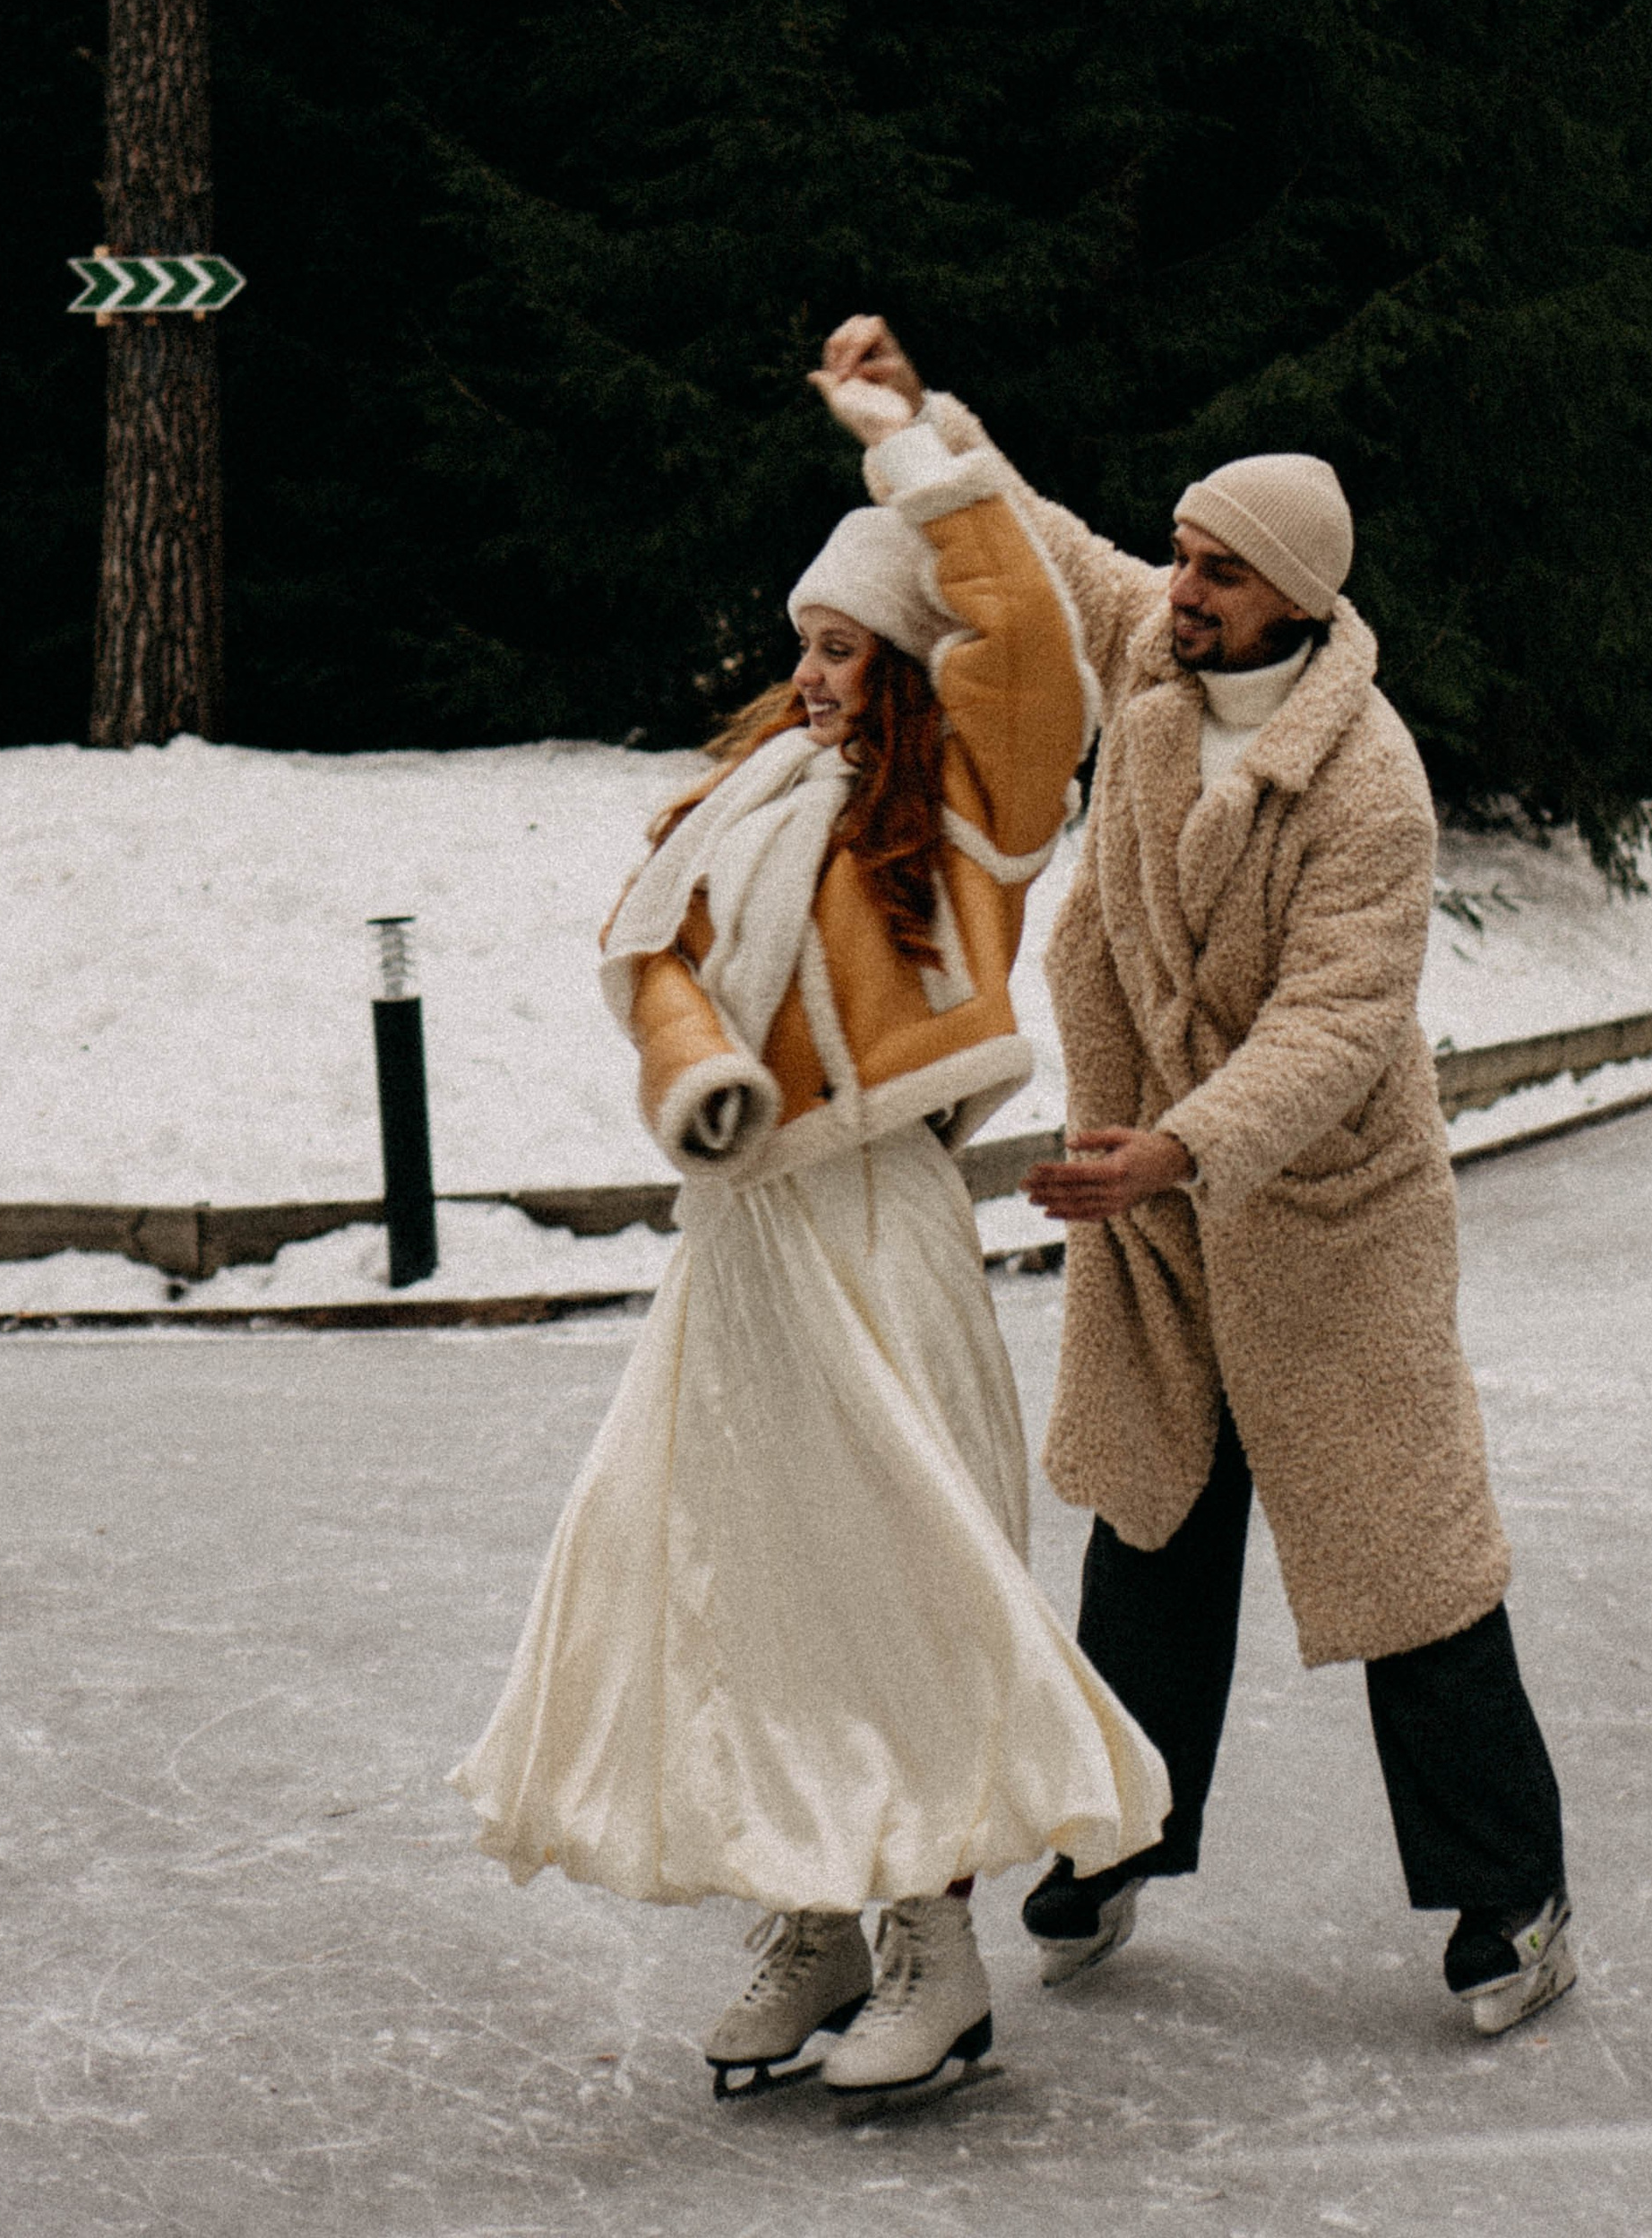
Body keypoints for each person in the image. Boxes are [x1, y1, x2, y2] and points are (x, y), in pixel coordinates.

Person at [825, 314, 1574, 2036]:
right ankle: (1109, 1849)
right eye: (1182, 554)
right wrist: (914, 418)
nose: (1181, 587)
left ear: (1297, 598)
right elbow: (1036, 537)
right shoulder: (1157, 678)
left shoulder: (1368, 784)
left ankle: (1515, 1895)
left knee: (1409, 1571)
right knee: (1148, 1542)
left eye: (1220, 571)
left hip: (1327, 1228)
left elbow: (1335, 1026)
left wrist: (1180, 1145)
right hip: (1161, 1225)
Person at [452, 357, 1169, 2110]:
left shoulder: (980, 812)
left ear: (915, 666)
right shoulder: (748, 804)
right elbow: (660, 965)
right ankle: (814, 1920)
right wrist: (695, 1084)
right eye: (805, 641)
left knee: (905, 1576)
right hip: (748, 1235)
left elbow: (1023, 619)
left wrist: (905, 451)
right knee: (748, 1578)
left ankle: (936, 1944)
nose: (806, 671)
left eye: (841, 645)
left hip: (879, 1210)